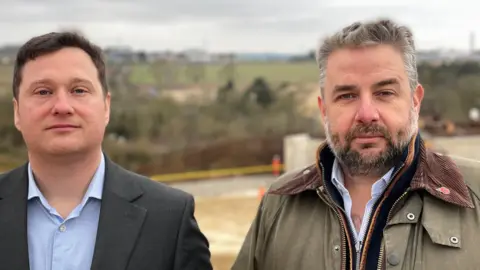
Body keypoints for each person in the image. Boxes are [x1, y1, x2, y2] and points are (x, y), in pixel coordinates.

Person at [232, 18, 480, 270]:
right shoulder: (279, 204)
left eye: (384, 93)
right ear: (324, 109)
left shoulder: (476, 193)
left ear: (415, 101)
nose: (366, 113)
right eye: (347, 96)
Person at [0, 31, 212, 270]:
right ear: (17, 112)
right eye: (43, 92)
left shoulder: (170, 218)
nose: (62, 106)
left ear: (106, 107)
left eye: (79, 90)